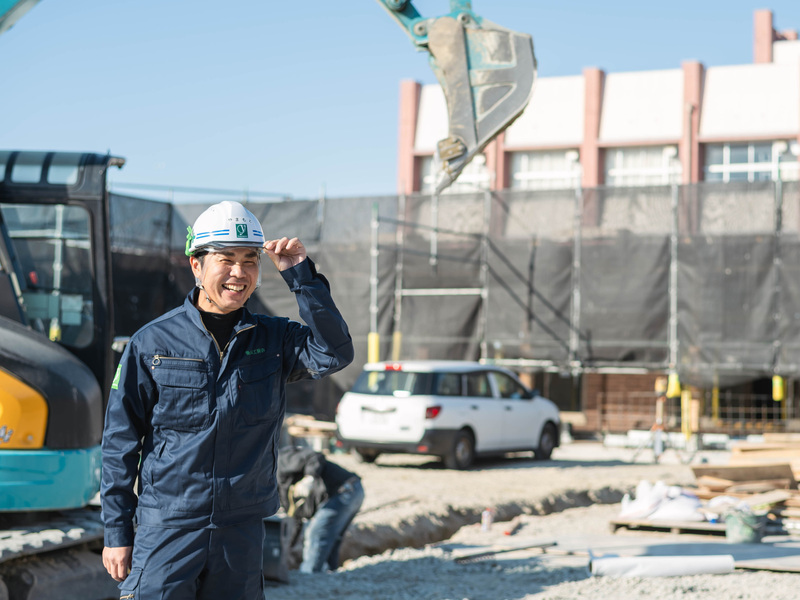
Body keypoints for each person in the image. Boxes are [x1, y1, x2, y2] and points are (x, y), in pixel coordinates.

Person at [100, 200, 354, 599]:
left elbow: (334, 352)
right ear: (196, 265)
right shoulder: (152, 343)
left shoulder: (274, 340)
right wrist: (117, 530)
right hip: (168, 529)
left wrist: (300, 276)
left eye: (250, 260)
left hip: (240, 532)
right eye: (226, 259)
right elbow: (119, 442)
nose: (239, 273)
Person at [277, 445, 364, 573]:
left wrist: (309, 478)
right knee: (331, 539)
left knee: (317, 533)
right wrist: (287, 549)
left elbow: (314, 456)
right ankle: (330, 576)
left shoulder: (281, 460)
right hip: (350, 491)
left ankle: (310, 577)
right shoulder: (280, 490)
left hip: (345, 491)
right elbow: (295, 518)